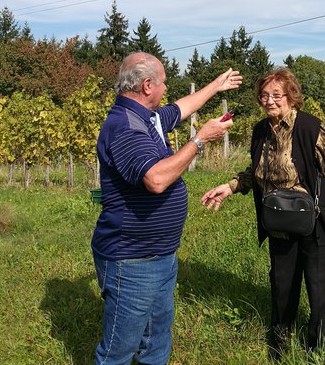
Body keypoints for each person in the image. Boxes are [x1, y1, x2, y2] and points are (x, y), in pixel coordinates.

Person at [201, 67, 325, 357]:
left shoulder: (310, 127)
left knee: (320, 289)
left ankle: (319, 351)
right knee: (281, 286)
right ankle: (278, 347)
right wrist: (231, 186)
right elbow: (255, 172)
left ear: (291, 97)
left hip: (317, 221)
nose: (269, 100)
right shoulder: (260, 131)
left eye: (277, 94)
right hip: (279, 221)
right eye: (264, 95)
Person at [92, 52, 242, 365]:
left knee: (156, 342)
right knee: (118, 351)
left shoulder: (149, 117)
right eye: (163, 83)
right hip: (131, 260)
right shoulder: (125, 126)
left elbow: (182, 107)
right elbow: (156, 179)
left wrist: (216, 86)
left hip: (159, 254)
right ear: (147, 85)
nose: (166, 89)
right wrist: (200, 140)